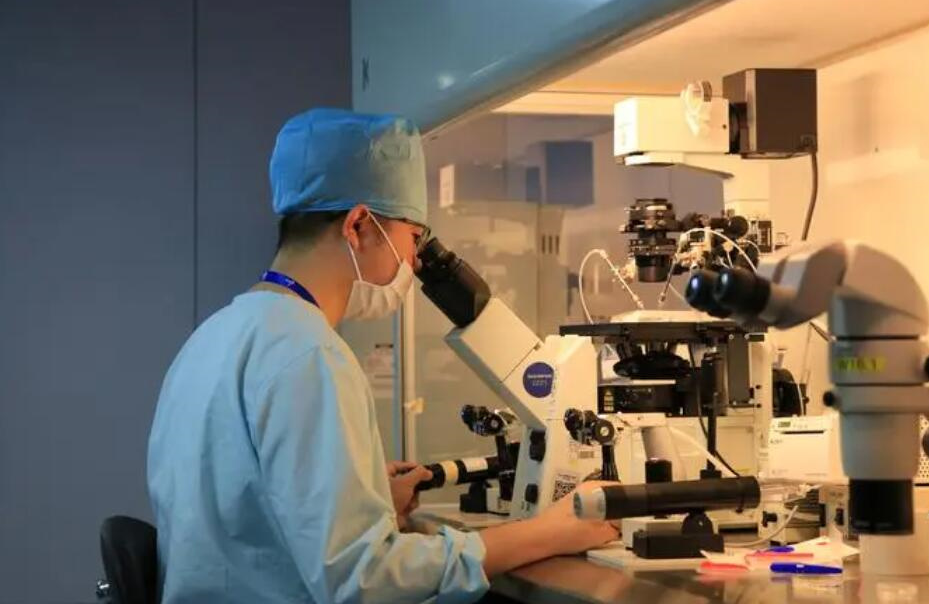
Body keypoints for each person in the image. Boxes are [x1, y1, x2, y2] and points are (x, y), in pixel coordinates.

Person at [147, 108, 618, 604]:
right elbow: (364, 580)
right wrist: (549, 532)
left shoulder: (214, 335)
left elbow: (244, 521)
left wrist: (364, 500)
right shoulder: (309, 355)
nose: (415, 261)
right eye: (413, 238)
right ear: (357, 226)